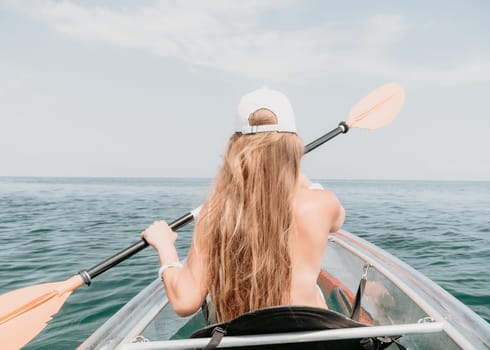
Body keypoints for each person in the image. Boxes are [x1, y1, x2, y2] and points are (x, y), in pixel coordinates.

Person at [141, 88, 345, 323]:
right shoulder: (323, 204)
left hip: (247, 339)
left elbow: (184, 302)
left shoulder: (216, 212)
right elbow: (338, 222)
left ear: (235, 148)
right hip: (311, 336)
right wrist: (294, 173)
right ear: (292, 146)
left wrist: (165, 245)